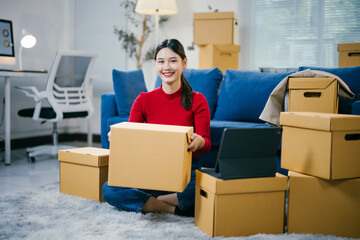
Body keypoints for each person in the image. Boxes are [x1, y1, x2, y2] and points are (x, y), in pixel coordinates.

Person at [102, 39, 211, 216]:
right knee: (109, 189)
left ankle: (151, 202)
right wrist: (120, 138)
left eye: (173, 60)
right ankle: (170, 207)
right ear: (156, 65)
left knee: (206, 187)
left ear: (184, 63)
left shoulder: (198, 100)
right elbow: (131, 141)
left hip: (186, 173)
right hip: (150, 172)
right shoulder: (143, 100)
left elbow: (206, 142)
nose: (166, 67)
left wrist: (199, 142)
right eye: (161, 61)